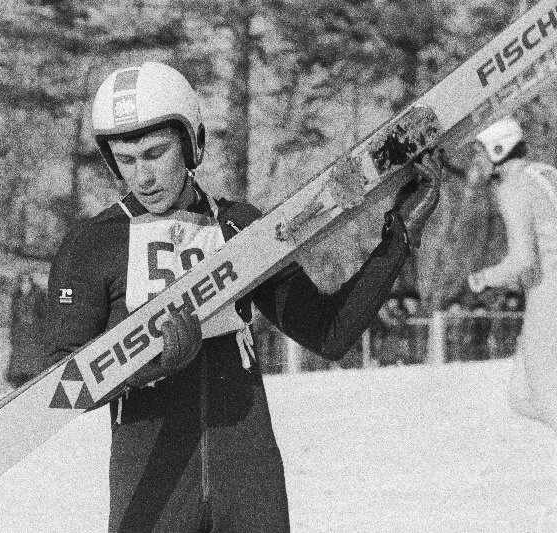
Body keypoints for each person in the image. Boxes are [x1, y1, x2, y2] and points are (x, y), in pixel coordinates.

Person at [34, 61, 442, 533]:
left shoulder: (240, 227)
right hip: (154, 487)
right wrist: (152, 364)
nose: (142, 176)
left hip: (247, 480)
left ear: (191, 144)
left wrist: (399, 238)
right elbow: (60, 384)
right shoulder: (91, 245)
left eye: (155, 153)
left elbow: (328, 333)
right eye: (126, 161)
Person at [466, 116, 557, 430]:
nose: (476, 160)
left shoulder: (512, 187)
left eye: (480, 152)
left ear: (498, 149)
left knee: (544, 397)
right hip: (547, 290)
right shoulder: (544, 172)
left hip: (550, 293)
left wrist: (484, 278)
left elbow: (523, 260)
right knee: (520, 394)